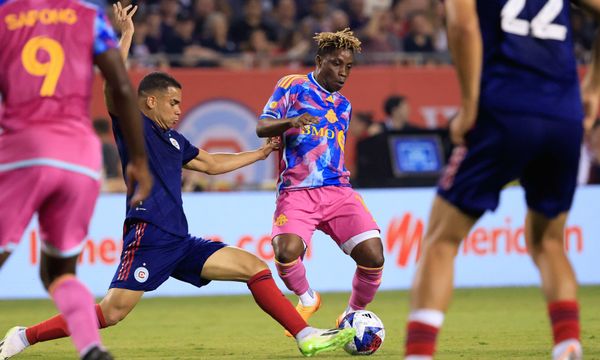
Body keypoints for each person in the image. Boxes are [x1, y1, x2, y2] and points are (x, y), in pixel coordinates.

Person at [0, 4, 354, 359]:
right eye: (173, 103)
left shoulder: (174, 140)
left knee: (254, 268)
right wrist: (127, 35)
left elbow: (212, 163)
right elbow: (113, 83)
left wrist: (259, 155)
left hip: (180, 241)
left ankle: (306, 335)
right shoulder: (134, 124)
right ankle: (23, 337)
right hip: (149, 235)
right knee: (111, 312)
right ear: (150, 102)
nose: (178, 110)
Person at [403, 1, 600, 359]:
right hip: (563, 115)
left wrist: (468, 105)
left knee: (441, 240)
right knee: (549, 242)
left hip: (503, 109)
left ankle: (419, 353)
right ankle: (568, 343)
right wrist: (594, 88)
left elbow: (463, 26)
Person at [0, 0, 152, 358]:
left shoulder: (6, 15)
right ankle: (91, 348)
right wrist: (139, 160)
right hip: (80, 158)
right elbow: (120, 86)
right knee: (60, 272)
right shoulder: (87, 16)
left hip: (24, 147)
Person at [256, 28, 385, 335]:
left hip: (338, 190)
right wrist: (291, 122)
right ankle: (308, 298)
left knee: (373, 255)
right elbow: (262, 126)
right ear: (319, 60)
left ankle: (352, 315)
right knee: (285, 251)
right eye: (337, 63)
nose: (343, 72)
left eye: (349, 66)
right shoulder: (293, 85)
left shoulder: (344, 105)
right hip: (297, 191)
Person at [93, 118, 127, 193]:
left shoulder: (94, 149)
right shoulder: (116, 149)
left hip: (103, 187)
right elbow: (121, 171)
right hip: (116, 187)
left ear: (95, 132)